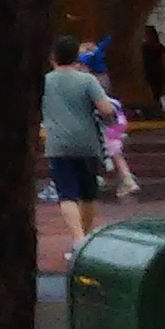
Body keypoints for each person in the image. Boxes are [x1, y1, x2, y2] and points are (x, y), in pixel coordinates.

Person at [42, 36, 117, 240]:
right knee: (88, 194)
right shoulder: (87, 80)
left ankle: (78, 238)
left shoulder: (45, 82)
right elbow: (106, 109)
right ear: (77, 56)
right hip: (87, 144)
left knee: (66, 195)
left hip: (58, 144)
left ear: (53, 57)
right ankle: (86, 237)